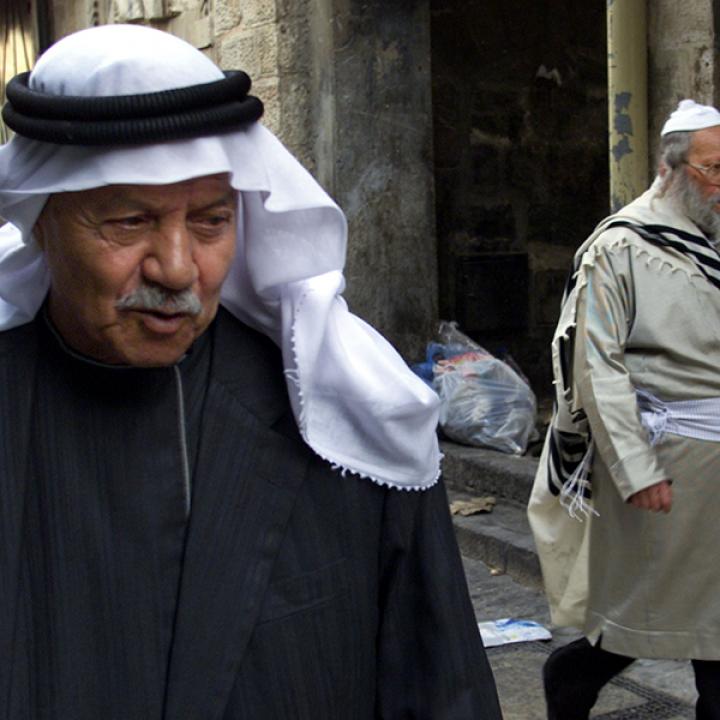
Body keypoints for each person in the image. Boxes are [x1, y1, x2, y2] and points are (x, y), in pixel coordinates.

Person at [0, 24, 503, 720]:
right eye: (127, 222)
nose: (177, 269)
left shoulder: (346, 415)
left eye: (210, 222)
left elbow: (441, 689)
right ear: (42, 219)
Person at [528, 99, 720, 720]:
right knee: (655, 614)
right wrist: (636, 468)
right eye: (713, 170)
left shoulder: (710, 235)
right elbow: (595, 367)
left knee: (708, 621)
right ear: (670, 170)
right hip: (671, 461)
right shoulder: (620, 246)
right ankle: (573, 673)